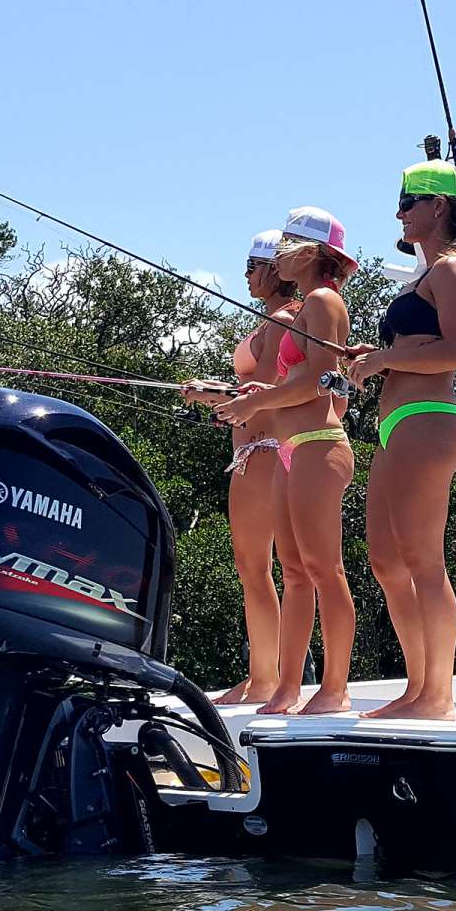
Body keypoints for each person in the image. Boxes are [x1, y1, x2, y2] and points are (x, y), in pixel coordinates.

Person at [347, 161, 456, 720]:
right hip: (395, 426)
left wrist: (384, 358)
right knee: (385, 559)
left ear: (440, 207)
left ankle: (438, 696)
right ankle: (417, 687)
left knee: (424, 563)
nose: (399, 212)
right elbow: (412, 349)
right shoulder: (422, 278)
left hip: (429, 420)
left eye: (409, 201)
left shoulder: (455, 271)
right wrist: (372, 360)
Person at [215, 208, 357, 716]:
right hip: (294, 447)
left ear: (315, 253)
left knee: (325, 570)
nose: (278, 254)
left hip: (318, 442)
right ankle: (286, 688)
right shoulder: (307, 308)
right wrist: (253, 395)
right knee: (296, 572)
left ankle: (335, 687)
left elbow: (320, 381)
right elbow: (306, 381)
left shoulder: (321, 300)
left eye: (289, 243)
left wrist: (254, 402)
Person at [179, 231, 305, 706]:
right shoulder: (266, 320)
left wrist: (217, 396)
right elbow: (252, 390)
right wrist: (221, 397)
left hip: (270, 450)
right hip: (249, 454)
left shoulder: (288, 319)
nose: (246, 275)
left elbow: (274, 392)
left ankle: (269, 679)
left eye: (252, 266)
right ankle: (261, 675)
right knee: (251, 566)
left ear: (275, 269)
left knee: (274, 567)